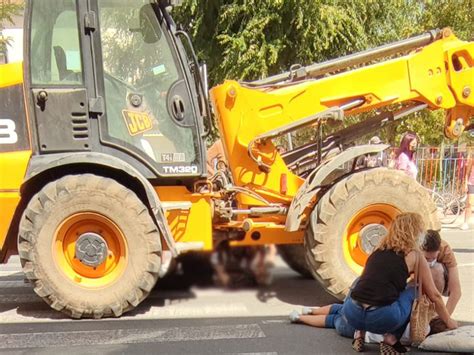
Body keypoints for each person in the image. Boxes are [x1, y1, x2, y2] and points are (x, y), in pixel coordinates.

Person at [342, 213, 457, 354]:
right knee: (413, 290)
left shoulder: (377, 249)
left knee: (363, 282)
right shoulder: (415, 255)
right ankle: (390, 338)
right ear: (416, 232)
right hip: (381, 318)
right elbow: (434, 295)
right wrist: (449, 321)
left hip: (351, 313)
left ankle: (359, 333)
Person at [421, 230, 461, 316]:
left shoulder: (445, 249)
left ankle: (433, 312)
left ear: (439, 249)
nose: (430, 261)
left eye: (433, 258)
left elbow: (456, 291)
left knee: (436, 269)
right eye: (427, 258)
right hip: (415, 280)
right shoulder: (411, 249)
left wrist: (445, 318)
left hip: (437, 278)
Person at [289, 304, 355, 338]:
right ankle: (299, 317)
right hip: (353, 329)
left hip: (353, 327)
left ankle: (310, 311)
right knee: (335, 316)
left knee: (338, 311)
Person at [461, 153, 473, 230]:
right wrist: (465, 184)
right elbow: (467, 173)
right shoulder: (472, 159)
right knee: (469, 203)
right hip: (472, 183)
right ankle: (465, 223)